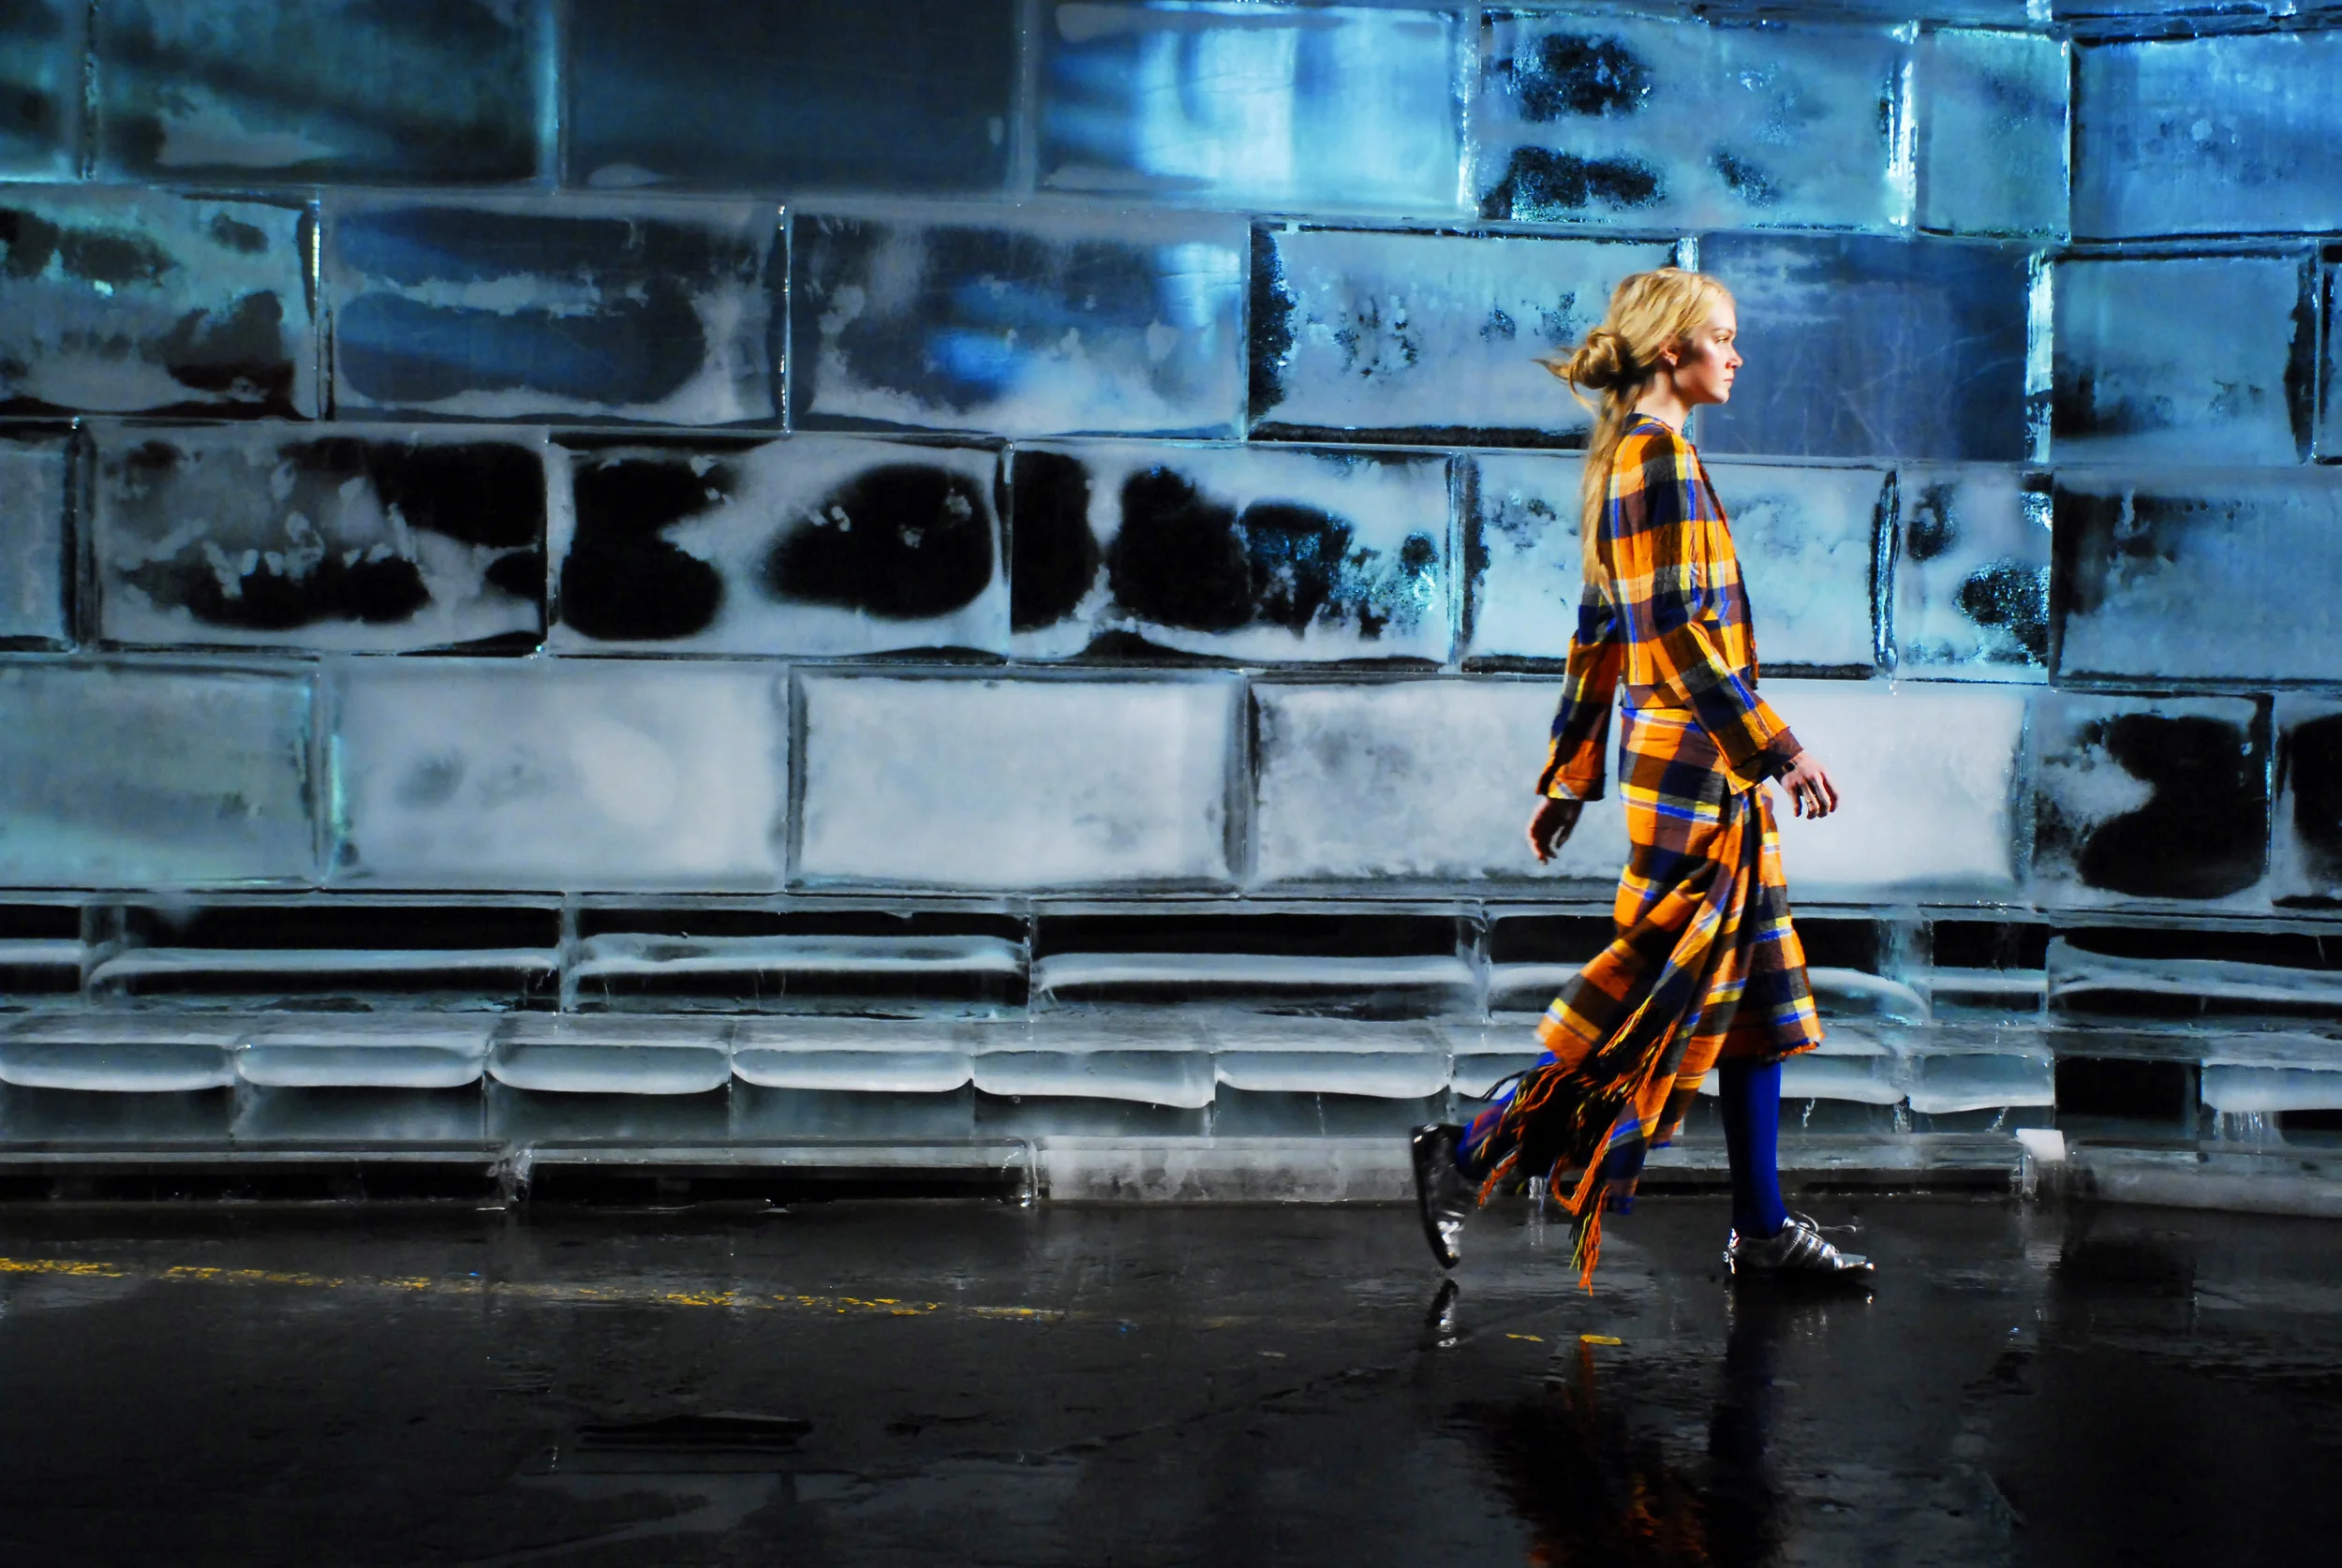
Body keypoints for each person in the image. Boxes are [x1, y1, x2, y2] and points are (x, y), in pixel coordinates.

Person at [1411, 267, 1872, 1287]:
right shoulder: (1654, 459)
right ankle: (1466, 1154)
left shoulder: (1637, 456)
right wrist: (1780, 747)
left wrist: (1568, 778)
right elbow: (1671, 632)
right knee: (1646, 1003)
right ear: (1674, 350)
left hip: (1693, 762)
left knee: (1750, 998)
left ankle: (1761, 1231)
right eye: (1723, 338)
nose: (1737, 356)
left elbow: (1598, 634)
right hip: (1696, 769)